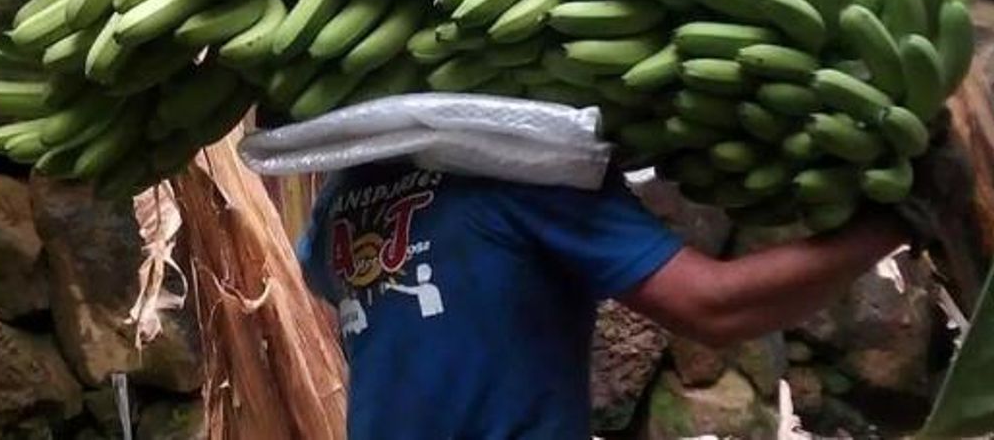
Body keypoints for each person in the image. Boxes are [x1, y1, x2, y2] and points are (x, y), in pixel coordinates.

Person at [296, 144, 969, 440]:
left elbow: (323, 277)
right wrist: (893, 222)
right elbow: (715, 305)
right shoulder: (525, 178)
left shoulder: (341, 200)